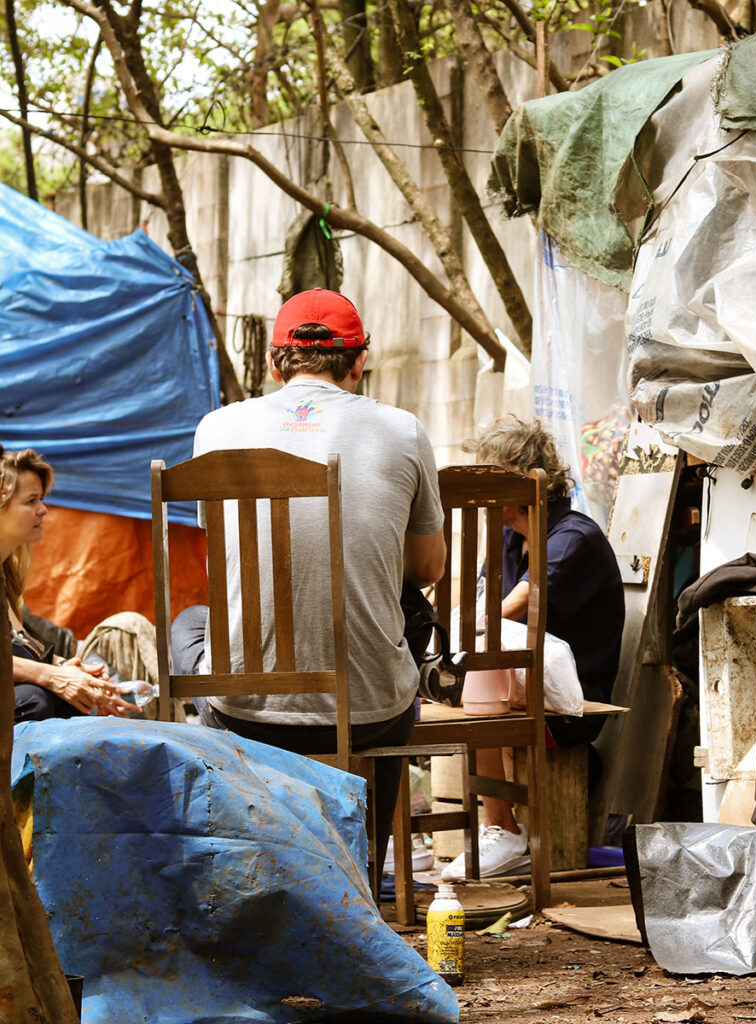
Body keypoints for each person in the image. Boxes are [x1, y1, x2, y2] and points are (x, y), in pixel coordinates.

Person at [171, 288, 446, 887]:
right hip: (368, 709)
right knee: (395, 625)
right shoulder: (402, 430)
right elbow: (428, 569)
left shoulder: (216, 427)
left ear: (274, 364)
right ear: (359, 362)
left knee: (190, 625)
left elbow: (222, 557)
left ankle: (252, 868)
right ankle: (358, 877)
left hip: (246, 711)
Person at [442, 416, 625, 880]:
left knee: (478, 680)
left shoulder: (573, 538)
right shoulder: (508, 539)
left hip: (571, 703)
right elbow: (482, 605)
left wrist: (455, 627)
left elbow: (510, 608)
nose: (480, 491)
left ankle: (503, 830)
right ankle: (497, 829)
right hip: (519, 684)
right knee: (467, 675)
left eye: (490, 477)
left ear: (524, 482)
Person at [1, 447, 136, 721]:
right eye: (31, 501)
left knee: (85, 692)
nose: (43, 510)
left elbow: (19, 646)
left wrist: (69, 668)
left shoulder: (6, 577)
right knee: (33, 699)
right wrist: (53, 676)